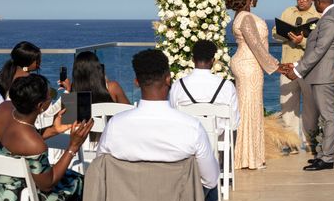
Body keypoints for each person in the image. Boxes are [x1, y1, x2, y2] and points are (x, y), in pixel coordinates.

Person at [97, 49, 220, 190]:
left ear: (137, 82)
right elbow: (210, 180)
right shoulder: (191, 127)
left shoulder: (115, 125)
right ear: (168, 79)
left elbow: (100, 169)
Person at [282, 0, 334, 171]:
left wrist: (298, 70)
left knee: (328, 117)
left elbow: (320, 49)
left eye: (313, 1)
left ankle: (327, 158)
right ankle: (327, 154)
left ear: (318, 0)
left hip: (325, 75)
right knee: (328, 117)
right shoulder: (330, 16)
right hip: (322, 74)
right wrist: (296, 66)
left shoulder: (331, 19)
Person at [226, 0, 281, 170]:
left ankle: (245, 155)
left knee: (247, 107)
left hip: (247, 63)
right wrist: (277, 66)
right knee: (249, 107)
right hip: (249, 65)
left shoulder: (239, 17)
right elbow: (256, 45)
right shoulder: (246, 18)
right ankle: (247, 158)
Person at [271, 0, 320, 151]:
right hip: (287, 66)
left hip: (307, 68)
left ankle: (310, 142)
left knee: (310, 107)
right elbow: (274, 32)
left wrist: (302, 41)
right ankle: (292, 144)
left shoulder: (317, 16)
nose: (301, 1)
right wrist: (286, 34)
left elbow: (320, 44)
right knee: (287, 106)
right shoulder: (288, 12)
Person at [170, 40, 240, 135]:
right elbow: (234, 123)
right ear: (212, 60)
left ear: (193, 59)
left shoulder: (178, 85)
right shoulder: (227, 86)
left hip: (187, 142)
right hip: (215, 144)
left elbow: (174, 118)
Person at [0, 41, 42, 124]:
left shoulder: (2, 77)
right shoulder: (30, 83)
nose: (39, 61)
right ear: (28, 62)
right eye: (37, 59)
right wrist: (66, 92)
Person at [59, 50, 130, 104]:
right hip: (110, 123)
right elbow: (128, 110)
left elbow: (68, 118)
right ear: (98, 68)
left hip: (84, 124)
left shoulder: (73, 90)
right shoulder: (112, 87)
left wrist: (67, 90)